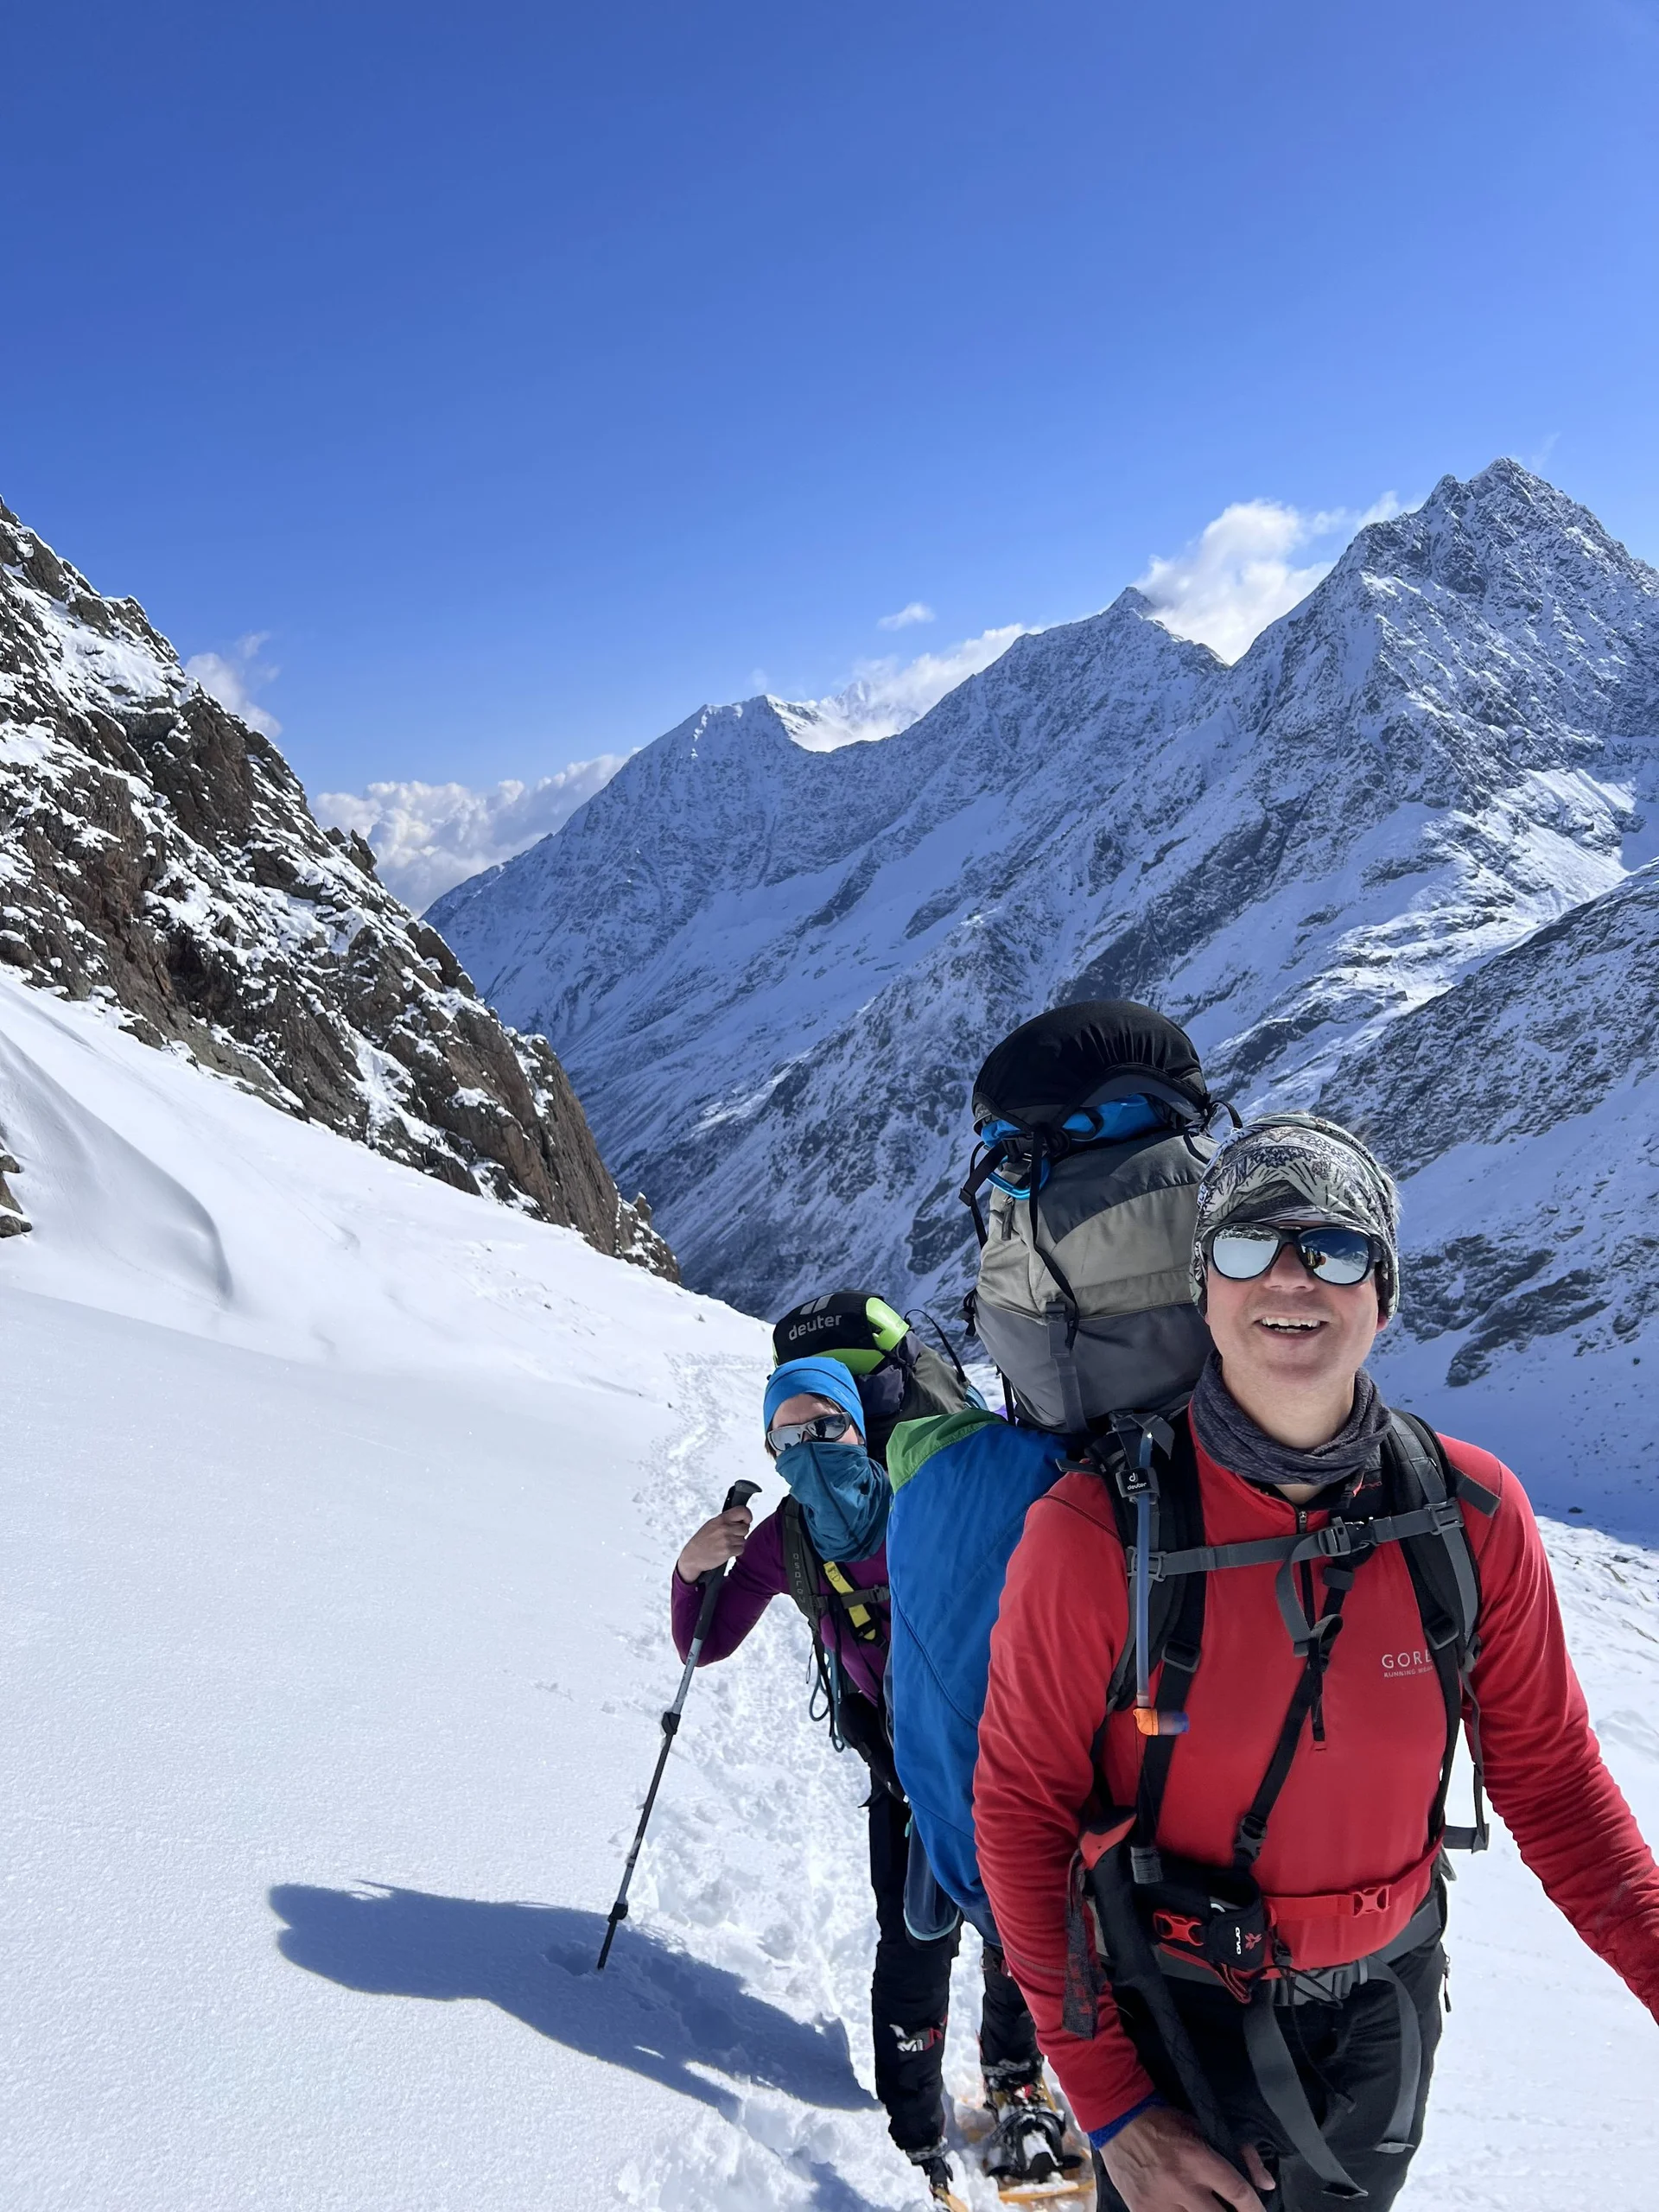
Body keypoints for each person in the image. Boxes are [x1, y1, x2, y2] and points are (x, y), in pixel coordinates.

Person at [969, 1113, 1659, 2211]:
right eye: (1248, 1245)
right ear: (1205, 1290)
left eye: (1335, 1247)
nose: (1290, 1277)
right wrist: (1116, 2115)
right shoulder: (1097, 1532)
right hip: (1176, 2025)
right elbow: (1020, 1811)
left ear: (1382, 1294)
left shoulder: (1466, 1513)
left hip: (1386, 2018)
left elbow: (1557, 1784)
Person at [671, 1293, 1042, 2208]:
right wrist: (690, 1570)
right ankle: (915, 2125)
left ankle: (1015, 2080)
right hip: (901, 1769)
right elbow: (702, 1644)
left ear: (858, 1420)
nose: (807, 1447)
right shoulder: (784, 1537)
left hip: (995, 1749)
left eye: (825, 1423)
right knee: (915, 1942)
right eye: (785, 1437)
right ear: (767, 1451)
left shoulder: (932, 1492)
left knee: (1020, 1930)